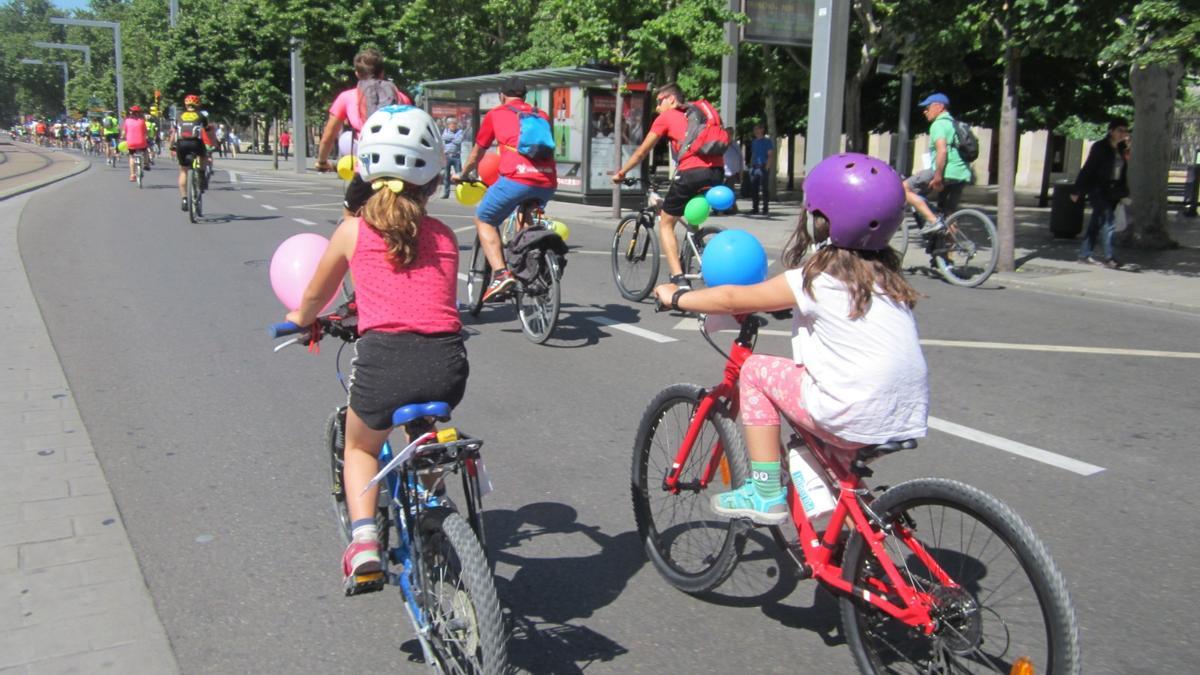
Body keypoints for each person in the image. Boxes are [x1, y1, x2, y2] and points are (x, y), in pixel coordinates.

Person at [653, 153, 928, 524]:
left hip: (849, 407)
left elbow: (732, 298)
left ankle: (765, 493)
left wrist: (678, 297)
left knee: (754, 371)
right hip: (904, 411)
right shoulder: (888, 279)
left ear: (822, 220)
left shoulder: (817, 278)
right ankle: (854, 546)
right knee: (839, 475)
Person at [283, 105, 466, 593]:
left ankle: (364, 542)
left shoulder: (352, 230)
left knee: (361, 444)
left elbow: (316, 296)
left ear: (366, 168)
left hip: (384, 361)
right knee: (423, 425)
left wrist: (300, 321)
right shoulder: (446, 236)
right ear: (432, 179)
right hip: (448, 365)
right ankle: (434, 504)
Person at [612, 83, 724, 289]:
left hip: (691, 173)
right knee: (691, 213)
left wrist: (621, 173)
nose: (657, 107)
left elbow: (641, 153)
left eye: (659, 101)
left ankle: (678, 279)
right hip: (717, 172)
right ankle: (696, 249)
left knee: (665, 222)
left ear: (671, 99)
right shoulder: (698, 114)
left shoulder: (666, 117)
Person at [456, 77, 557, 302]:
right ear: (525, 96)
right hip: (547, 181)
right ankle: (534, 262)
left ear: (502, 96)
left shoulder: (496, 113)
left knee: (485, 219)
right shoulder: (542, 115)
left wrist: (463, 175)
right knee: (526, 213)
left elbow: (477, 153)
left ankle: (501, 275)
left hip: (515, 179)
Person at [315, 48, 412, 222]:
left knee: (350, 216)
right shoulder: (402, 98)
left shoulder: (347, 97)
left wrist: (322, 162)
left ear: (357, 74)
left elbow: (328, 137)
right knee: (403, 217)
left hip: (368, 169)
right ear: (382, 72)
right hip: (401, 172)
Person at [903, 93, 972, 235]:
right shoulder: (955, 124)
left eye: (927, 108)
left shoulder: (939, 124)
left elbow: (942, 151)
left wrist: (937, 176)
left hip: (945, 171)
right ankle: (952, 252)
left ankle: (934, 222)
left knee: (903, 188)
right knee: (948, 215)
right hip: (961, 174)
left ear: (939, 107)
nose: (925, 111)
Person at [1071, 118, 1130, 268]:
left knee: (1095, 224)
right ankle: (1109, 257)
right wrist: (1077, 189)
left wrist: (1124, 193)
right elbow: (1088, 168)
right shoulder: (1100, 147)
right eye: (1119, 130)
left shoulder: (1122, 149)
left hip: (1113, 191)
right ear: (1111, 131)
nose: (1123, 133)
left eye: (1125, 130)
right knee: (1109, 221)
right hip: (1098, 189)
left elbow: (1122, 173)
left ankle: (1084, 255)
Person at [170, 94, 214, 211]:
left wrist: (171, 146)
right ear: (197, 104)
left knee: (183, 170)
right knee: (204, 156)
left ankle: (184, 199)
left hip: (181, 144)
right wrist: (213, 144)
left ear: (186, 104)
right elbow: (208, 131)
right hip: (195, 143)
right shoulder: (201, 115)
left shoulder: (179, 116)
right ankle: (201, 176)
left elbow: (173, 133)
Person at [748, 124, 775, 215]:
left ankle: (765, 208)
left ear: (762, 129)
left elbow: (770, 155)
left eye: (757, 129)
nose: (755, 131)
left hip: (763, 166)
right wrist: (751, 166)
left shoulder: (767, 141)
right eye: (754, 129)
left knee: (764, 188)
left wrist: (767, 166)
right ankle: (755, 208)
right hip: (755, 166)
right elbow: (753, 154)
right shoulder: (754, 142)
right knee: (754, 188)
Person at [121, 106, 150, 182]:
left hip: (131, 143)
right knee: (145, 150)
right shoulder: (142, 121)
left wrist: (122, 137)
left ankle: (132, 175)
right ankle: (146, 164)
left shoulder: (127, 121)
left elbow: (124, 133)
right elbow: (145, 132)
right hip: (141, 142)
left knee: (131, 157)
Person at [720, 126, 743, 215]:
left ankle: (731, 208)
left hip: (732, 173)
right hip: (722, 172)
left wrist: (741, 173)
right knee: (721, 192)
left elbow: (740, 159)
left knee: (730, 192)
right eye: (728, 133)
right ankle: (720, 209)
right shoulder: (721, 144)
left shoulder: (735, 145)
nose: (729, 135)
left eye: (731, 134)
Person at [441, 117, 464, 198]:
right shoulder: (445, 131)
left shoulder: (460, 131)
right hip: (447, 156)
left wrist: (450, 139)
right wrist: (454, 138)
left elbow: (459, 141)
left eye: (454, 124)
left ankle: (460, 194)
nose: (453, 125)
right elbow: (443, 138)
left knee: (459, 176)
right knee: (446, 176)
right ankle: (446, 194)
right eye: (451, 124)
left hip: (456, 157)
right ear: (448, 125)